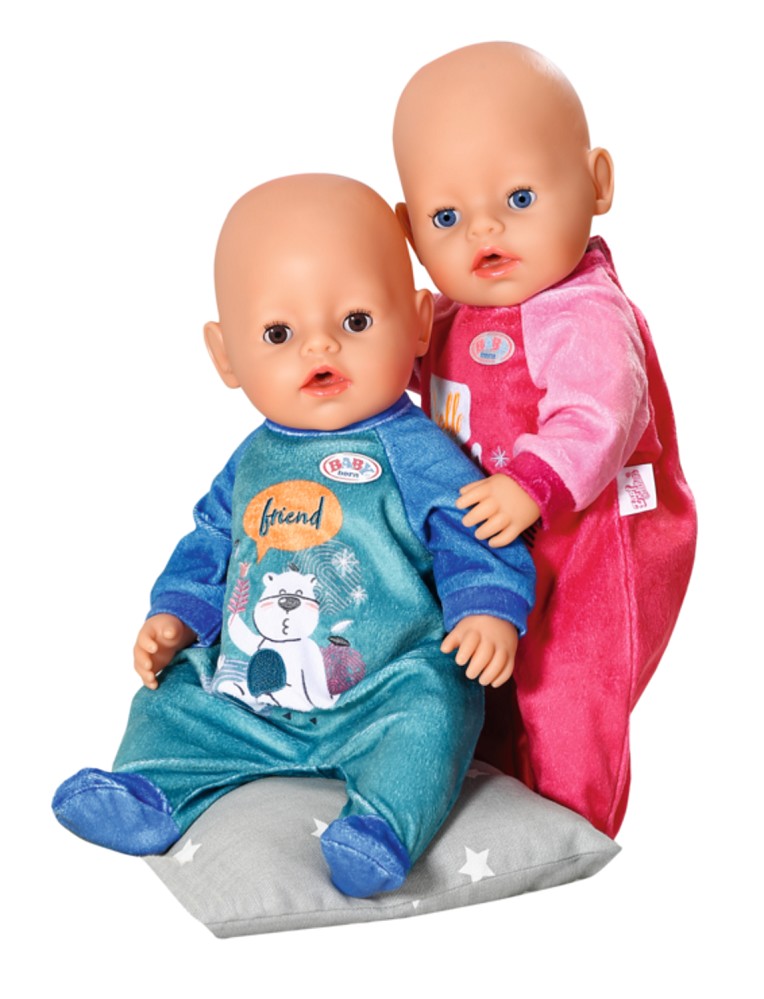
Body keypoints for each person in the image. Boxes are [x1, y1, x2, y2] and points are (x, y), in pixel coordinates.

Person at [52, 174, 536, 898]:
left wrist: (488, 607)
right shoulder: (252, 459)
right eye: (278, 334)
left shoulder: (413, 450)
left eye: (357, 320)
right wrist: (176, 614)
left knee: (440, 700)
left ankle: (380, 828)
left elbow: (472, 525)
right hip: (251, 695)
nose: (321, 345)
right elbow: (212, 539)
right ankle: (148, 793)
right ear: (226, 356)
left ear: (417, 323)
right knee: (172, 692)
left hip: (380, 692)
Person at [393, 42, 697, 837]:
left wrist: (532, 483)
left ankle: (569, 825)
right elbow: (391, 373)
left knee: (568, 687)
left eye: (520, 196)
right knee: (478, 673)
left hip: (593, 543)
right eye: (446, 217)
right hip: (492, 546)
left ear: (596, 184)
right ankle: (491, 806)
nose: (484, 228)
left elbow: (600, 412)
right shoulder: (446, 317)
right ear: (408, 231)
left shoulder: (584, 311)